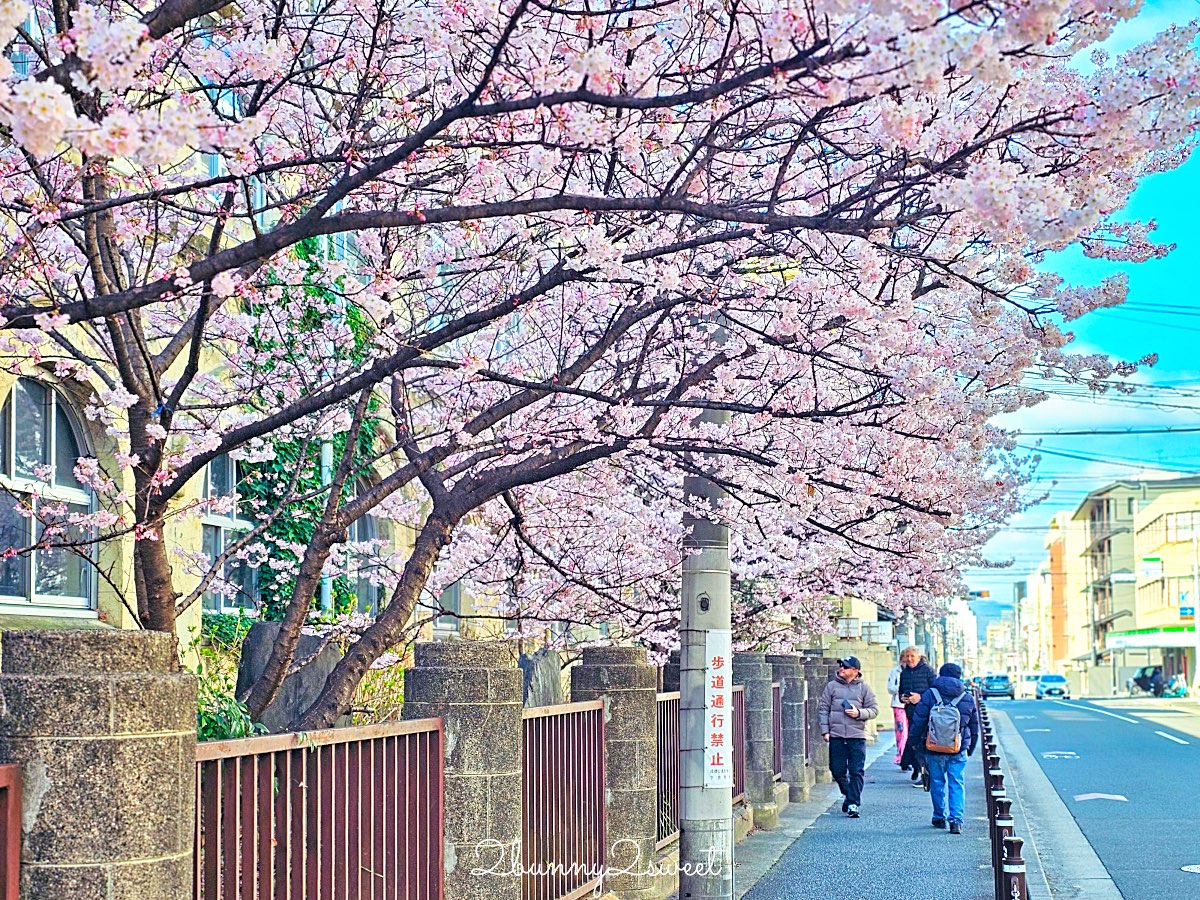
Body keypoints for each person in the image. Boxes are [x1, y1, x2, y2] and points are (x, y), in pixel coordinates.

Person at [911, 663, 979, 835]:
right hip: (958, 747)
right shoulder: (966, 697)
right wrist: (969, 748)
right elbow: (974, 726)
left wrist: (913, 743)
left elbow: (918, 720)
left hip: (934, 747)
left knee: (937, 782)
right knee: (957, 783)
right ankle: (956, 821)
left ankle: (939, 816)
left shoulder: (930, 694)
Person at [818, 656, 879, 818]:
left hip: (856, 736)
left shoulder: (864, 688)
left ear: (855, 671)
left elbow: (874, 710)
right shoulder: (831, 687)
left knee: (856, 771)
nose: (841, 669)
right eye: (841, 666)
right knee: (836, 770)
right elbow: (823, 709)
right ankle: (849, 794)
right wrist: (825, 731)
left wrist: (859, 713)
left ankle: (853, 803)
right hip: (836, 736)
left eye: (845, 667)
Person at [897, 649, 936, 782]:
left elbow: (935, 691)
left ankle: (924, 772)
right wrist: (903, 698)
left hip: (926, 712)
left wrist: (920, 697)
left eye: (912, 656)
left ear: (919, 657)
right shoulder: (904, 673)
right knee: (914, 741)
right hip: (911, 712)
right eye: (907, 656)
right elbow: (900, 691)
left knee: (924, 741)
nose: (909, 659)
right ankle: (916, 768)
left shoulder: (928, 670)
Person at [887, 656, 908, 767]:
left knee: (910, 732)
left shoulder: (913, 672)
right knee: (901, 732)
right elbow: (890, 688)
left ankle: (908, 757)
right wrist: (901, 687)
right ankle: (901, 756)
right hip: (898, 704)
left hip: (910, 704)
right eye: (904, 661)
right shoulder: (895, 672)